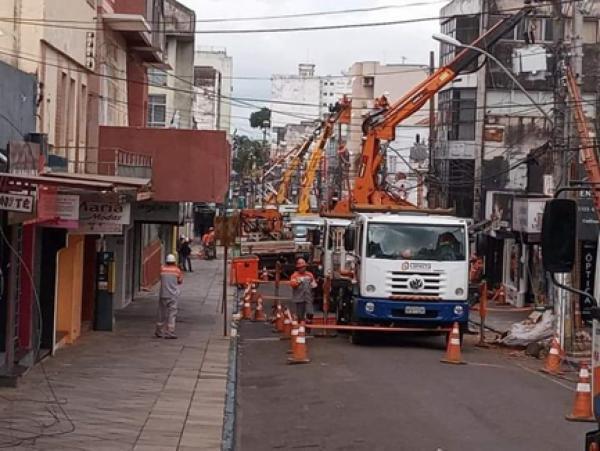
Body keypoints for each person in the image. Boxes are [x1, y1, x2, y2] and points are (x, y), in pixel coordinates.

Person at [156, 254, 183, 339]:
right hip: (173, 295)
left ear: (166, 261)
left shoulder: (162, 269)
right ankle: (170, 332)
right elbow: (180, 281)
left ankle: (159, 331)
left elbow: (159, 277)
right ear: (174, 261)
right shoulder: (177, 270)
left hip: (163, 294)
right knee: (172, 314)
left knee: (161, 313)